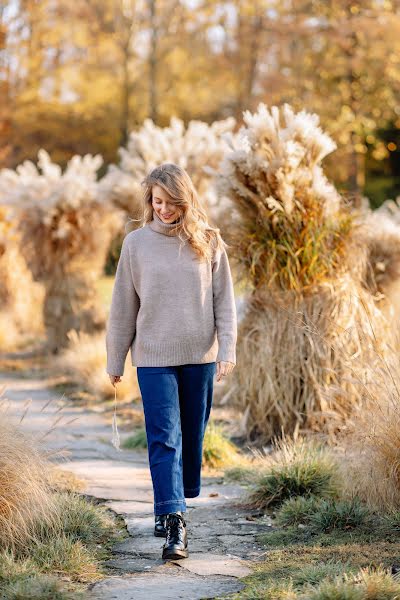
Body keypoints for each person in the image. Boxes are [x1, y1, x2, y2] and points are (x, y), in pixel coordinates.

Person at [105, 162, 237, 561]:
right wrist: (116, 359)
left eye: (170, 202)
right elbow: (122, 307)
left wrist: (227, 349)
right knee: (164, 437)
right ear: (150, 201)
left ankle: (174, 497)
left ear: (185, 200)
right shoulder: (136, 244)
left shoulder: (209, 242)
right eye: (156, 201)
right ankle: (174, 521)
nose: (162, 209)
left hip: (199, 357)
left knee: (192, 439)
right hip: (153, 359)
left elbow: (224, 304)